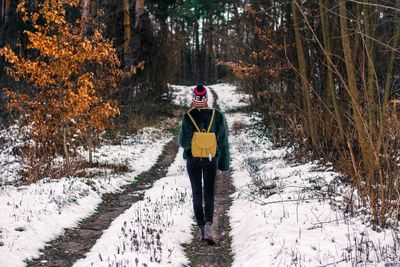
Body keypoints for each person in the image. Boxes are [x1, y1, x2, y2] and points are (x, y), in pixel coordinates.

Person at [178, 84, 229, 245]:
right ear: (206, 99)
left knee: (197, 193)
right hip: (210, 159)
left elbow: (184, 143)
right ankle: (208, 227)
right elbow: (223, 142)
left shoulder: (188, 117)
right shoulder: (217, 116)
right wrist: (224, 164)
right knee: (209, 194)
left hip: (193, 160)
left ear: (194, 99)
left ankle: (201, 229)